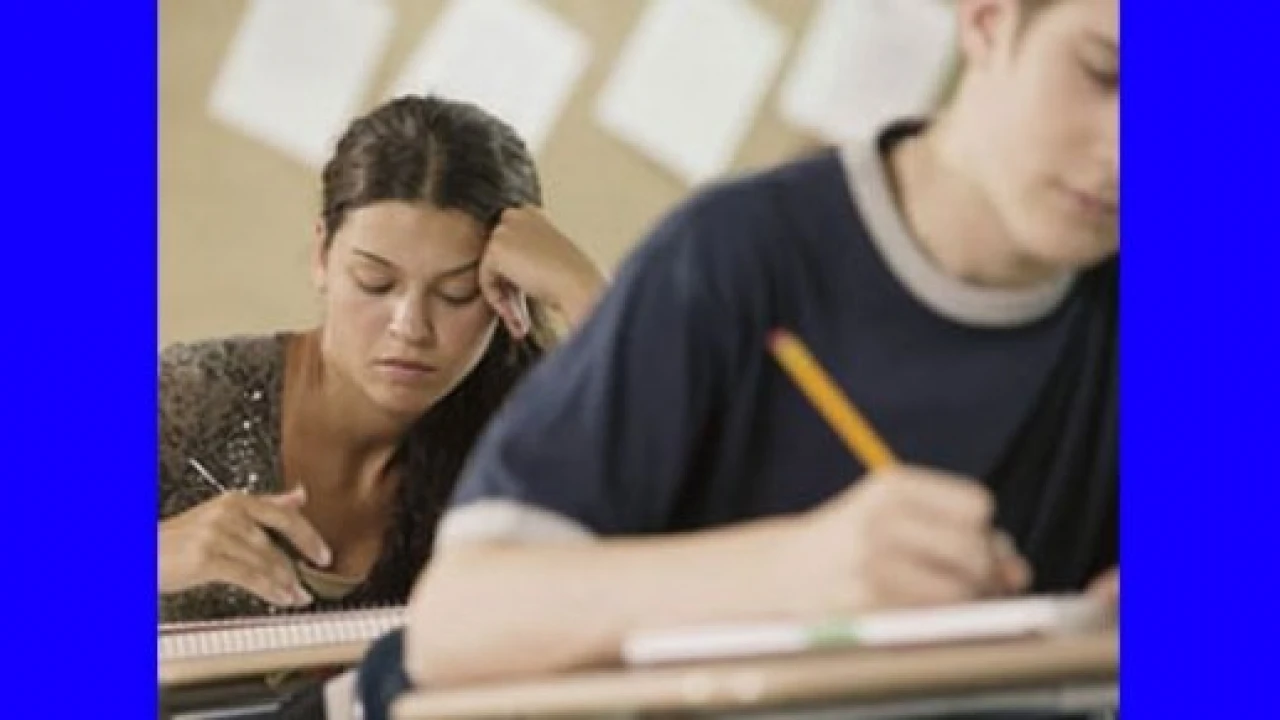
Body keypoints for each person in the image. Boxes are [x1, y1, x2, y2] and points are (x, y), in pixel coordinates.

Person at [390, 0, 1119, 694]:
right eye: (1104, 73)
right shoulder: (735, 255)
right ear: (988, 21)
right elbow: (458, 620)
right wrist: (792, 574)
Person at [157, 95, 605, 622]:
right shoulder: (186, 399)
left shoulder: (524, 438)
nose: (410, 327)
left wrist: (584, 290)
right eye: (375, 282)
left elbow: (677, 541)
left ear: (506, 291)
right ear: (322, 256)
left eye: (457, 293)